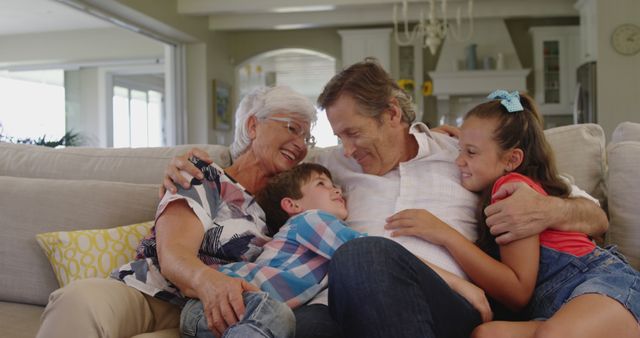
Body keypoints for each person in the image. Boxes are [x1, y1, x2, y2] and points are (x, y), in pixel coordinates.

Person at [162, 59, 609, 338]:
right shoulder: (331, 166)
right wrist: (198, 167)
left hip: (446, 306)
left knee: (366, 256)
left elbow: (592, 213)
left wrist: (548, 208)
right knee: (299, 326)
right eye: (338, 136)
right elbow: (260, 182)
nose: (347, 148)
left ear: (392, 115)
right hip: (338, 305)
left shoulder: (464, 154)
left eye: (354, 132)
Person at [36, 85, 318, 338]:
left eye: (308, 138)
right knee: (80, 302)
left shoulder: (288, 207)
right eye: (293, 128)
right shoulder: (203, 175)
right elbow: (173, 254)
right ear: (253, 125)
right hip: (149, 293)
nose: (302, 145)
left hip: (211, 321)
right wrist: (212, 284)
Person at [386, 90, 640, 338]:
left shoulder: (511, 191)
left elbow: (518, 292)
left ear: (512, 159)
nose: (458, 161)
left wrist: (444, 235)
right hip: (552, 307)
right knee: (486, 334)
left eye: (471, 152)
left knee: (554, 334)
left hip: (601, 285)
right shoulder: (487, 188)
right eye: (459, 150)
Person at [181, 162, 364, 338]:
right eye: (322, 184)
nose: (338, 190)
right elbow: (364, 251)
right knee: (275, 313)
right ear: (293, 205)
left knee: (279, 318)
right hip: (218, 303)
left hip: (229, 316)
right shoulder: (310, 218)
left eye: (334, 185)